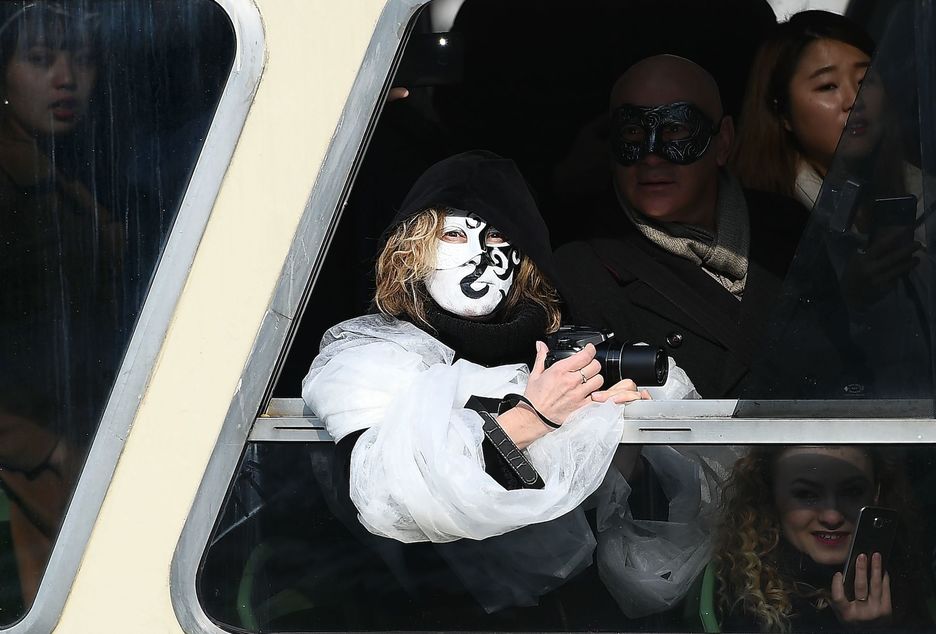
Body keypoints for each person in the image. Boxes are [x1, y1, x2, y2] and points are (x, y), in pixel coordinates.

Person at [301, 150, 700, 621]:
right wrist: (532, 418)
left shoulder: (561, 354)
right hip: (413, 613)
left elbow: (620, 532)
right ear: (412, 248)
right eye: (453, 233)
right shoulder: (370, 358)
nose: (479, 253)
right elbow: (390, 499)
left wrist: (613, 436)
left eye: (497, 234)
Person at [554, 55, 808, 398]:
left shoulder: (791, 229)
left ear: (723, 141)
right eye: (633, 132)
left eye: (676, 128)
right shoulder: (580, 272)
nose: (652, 155)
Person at [0, 1, 114, 608]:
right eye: (40, 60)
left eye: (84, 61)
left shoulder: (73, 178)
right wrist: (41, 447)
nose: (67, 78)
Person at [712, 445, 931, 631]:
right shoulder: (748, 598)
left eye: (852, 492)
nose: (832, 516)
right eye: (806, 495)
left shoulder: (905, 576)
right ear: (770, 497)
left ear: (876, 493)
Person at [731, 10, 879, 210]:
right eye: (828, 86)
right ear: (783, 112)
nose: (854, 99)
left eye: (866, 80)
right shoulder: (762, 216)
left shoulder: (921, 190)